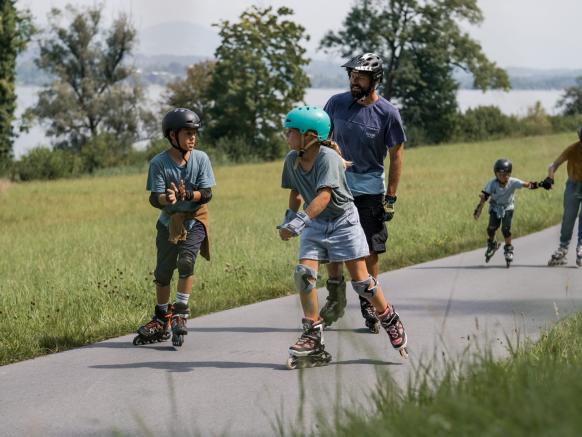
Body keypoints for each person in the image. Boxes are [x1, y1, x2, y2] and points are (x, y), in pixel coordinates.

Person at [278, 105, 408, 369]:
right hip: (315, 221)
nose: (286, 136)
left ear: (309, 135)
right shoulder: (292, 159)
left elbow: (325, 196)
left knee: (361, 282)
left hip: (342, 221)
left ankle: (388, 318)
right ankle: (312, 335)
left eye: (291, 132)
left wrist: (299, 223)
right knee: (304, 274)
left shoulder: (328, 158)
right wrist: (288, 219)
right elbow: (296, 194)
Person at [320, 52, 406, 333]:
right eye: (352, 75)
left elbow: (396, 156)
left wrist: (390, 197)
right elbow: (323, 141)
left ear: (375, 79)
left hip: (370, 190)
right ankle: (335, 297)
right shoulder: (336, 103)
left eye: (360, 76)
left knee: (369, 251)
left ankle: (369, 301)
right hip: (337, 188)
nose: (354, 81)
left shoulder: (388, 113)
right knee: (333, 246)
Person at [133, 108, 215, 347]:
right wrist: (166, 199)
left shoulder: (201, 159)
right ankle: (161, 318)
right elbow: (153, 198)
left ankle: (180, 311)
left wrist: (188, 194)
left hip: (195, 217)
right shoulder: (159, 163)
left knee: (187, 261)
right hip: (169, 221)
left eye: (194, 133)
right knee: (163, 273)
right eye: (187, 133)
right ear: (172, 135)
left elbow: (207, 194)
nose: (192, 138)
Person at [473, 158, 551, 266]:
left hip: (508, 206)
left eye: (505, 174)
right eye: (499, 174)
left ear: (509, 174)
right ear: (495, 174)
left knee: (505, 229)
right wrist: (479, 209)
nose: (502, 177)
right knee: (491, 228)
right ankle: (492, 244)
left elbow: (528, 185)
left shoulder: (513, 182)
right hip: (495, 207)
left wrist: (541, 184)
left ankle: (508, 248)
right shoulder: (492, 183)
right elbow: (484, 197)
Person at [547, 126, 582, 267]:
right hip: (574, 185)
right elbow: (553, 165)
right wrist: (550, 178)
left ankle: (581, 247)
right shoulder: (572, 149)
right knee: (569, 216)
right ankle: (563, 248)